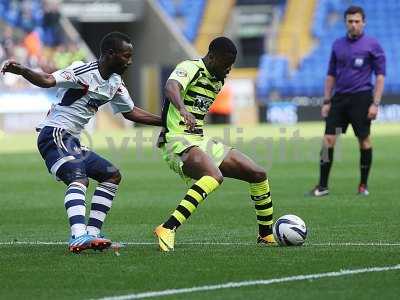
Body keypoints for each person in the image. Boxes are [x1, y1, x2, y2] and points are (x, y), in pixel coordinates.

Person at [1, 32, 162, 253]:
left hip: (72, 141)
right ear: (110, 54)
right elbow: (48, 80)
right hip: (54, 134)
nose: (130, 61)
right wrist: (22, 71)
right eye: (126, 56)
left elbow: (131, 112)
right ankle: (78, 235)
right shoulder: (83, 71)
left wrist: (163, 121)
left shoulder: (115, 82)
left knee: (111, 175)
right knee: (79, 178)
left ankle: (93, 235)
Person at [154, 37, 275, 251]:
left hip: (199, 139)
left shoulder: (218, 81)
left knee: (257, 173)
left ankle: (266, 235)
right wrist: (182, 108)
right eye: (225, 64)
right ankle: (167, 227)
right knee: (213, 176)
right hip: (176, 140)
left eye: (231, 65)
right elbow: (171, 86)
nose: (228, 69)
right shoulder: (190, 67)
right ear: (211, 57)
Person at [309, 6, 385, 197]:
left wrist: (375, 103)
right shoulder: (337, 45)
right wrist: (326, 101)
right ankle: (322, 186)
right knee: (328, 140)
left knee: (364, 140)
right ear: (345, 22)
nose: (353, 24)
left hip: (361, 98)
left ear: (363, 22)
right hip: (339, 99)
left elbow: (380, 76)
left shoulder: (372, 45)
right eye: (350, 21)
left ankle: (363, 185)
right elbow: (330, 75)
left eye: (357, 21)